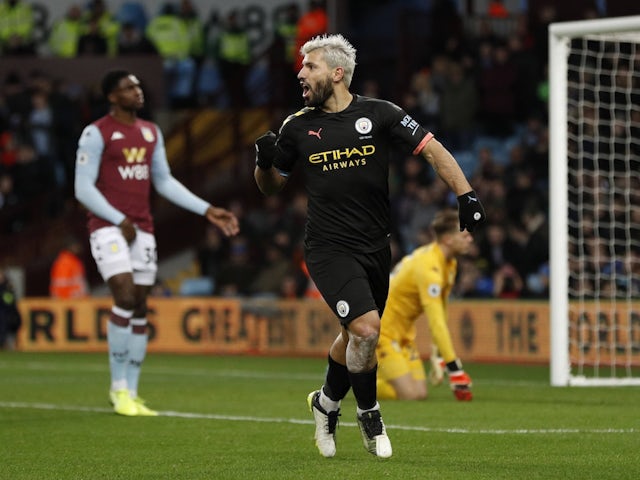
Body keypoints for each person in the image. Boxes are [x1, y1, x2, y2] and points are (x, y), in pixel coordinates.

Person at [253, 34, 485, 459]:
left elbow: (433, 151)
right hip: (327, 247)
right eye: (302, 67)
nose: (301, 74)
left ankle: (325, 403)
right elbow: (270, 189)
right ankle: (370, 415)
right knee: (366, 329)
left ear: (337, 73)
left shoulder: (380, 114)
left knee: (354, 335)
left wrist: (466, 195)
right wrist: (265, 162)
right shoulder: (297, 126)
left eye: (310, 67)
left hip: (376, 248)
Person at [74, 69, 239, 416]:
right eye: (128, 88)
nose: (137, 91)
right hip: (108, 226)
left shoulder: (150, 132)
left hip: (142, 229)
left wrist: (207, 209)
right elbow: (83, 188)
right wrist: (119, 219)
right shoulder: (96, 132)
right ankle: (117, 388)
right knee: (125, 295)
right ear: (112, 97)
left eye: (138, 85)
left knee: (139, 307)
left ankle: (132, 392)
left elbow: (164, 181)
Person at [376, 209, 475, 402]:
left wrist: (438, 355)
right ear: (447, 239)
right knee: (409, 395)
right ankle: (355, 379)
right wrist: (454, 368)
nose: (470, 239)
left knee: (420, 394)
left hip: (404, 334)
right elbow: (435, 321)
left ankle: (364, 373)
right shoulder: (429, 267)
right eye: (464, 235)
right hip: (382, 331)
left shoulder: (449, 264)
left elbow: (442, 314)